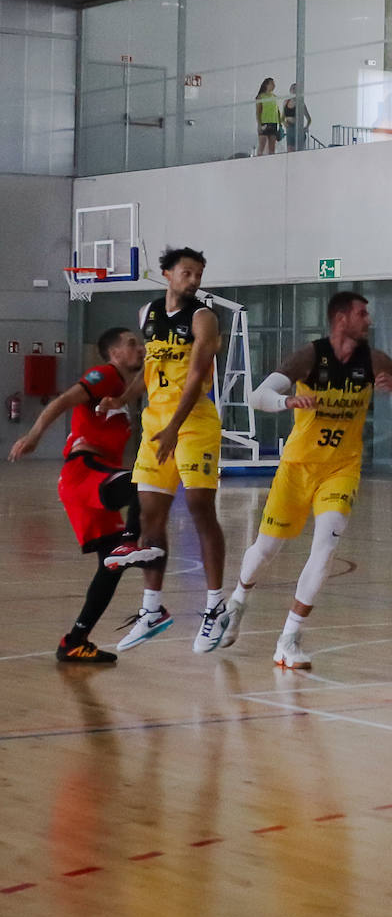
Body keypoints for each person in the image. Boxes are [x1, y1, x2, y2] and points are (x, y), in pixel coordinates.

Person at [205, 291, 392, 667]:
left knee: (325, 549)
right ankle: (239, 601)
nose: (368, 320)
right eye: (362, 314)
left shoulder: (374, 360)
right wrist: (287, 401)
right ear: (341, 318)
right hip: (298, 467)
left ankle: (289, 639)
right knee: (265, 550)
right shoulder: (310, 356)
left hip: (341, 468)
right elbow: (259, 397)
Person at [7, 327, 164, 662]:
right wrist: (34, 436)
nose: (140, 348)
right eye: (132, 344)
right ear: (115, 354)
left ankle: (74, 641)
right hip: (84, 472)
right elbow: (64, 400)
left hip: (92, 481)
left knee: (110, 567)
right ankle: (131, 544)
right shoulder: (105, 375)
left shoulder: (128, 390)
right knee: (144, 480)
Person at [116, 246, 227, 651]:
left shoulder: (203, 318)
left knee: (200, 509)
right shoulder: (147, 314)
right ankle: (151, 610)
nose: (194, 280)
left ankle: (215, 607)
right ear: (167, 274)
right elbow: (148, 372)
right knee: (151, 518)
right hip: (156, 424)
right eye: (187, 273)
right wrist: (121, 399)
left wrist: (173, 429)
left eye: (198, 274)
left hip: (193, 423)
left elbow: (197, 376)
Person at [282, 83, 312, 152]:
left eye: (296, 89)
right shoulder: (286, 102)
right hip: (289, 129)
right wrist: (284, 123)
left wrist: (306, 127)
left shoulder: (301, 103)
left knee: (298, 152)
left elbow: (308, 118)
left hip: (298, 128)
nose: (294, 90)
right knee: (290, 152)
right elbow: (282, 117)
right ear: (290, 90)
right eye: (293, 88)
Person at [256, 77, 280, 156]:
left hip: (273, 122)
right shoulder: (261, 96)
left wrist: (280, 123)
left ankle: (271, 163)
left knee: (272, 147)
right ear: (266, 85)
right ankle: (258, 161)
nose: (274, 85)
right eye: (272, 84)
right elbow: (258, 111)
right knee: (262, 144)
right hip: (264, 122)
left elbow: (277, 111)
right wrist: (259, 124)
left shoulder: (274, 96)